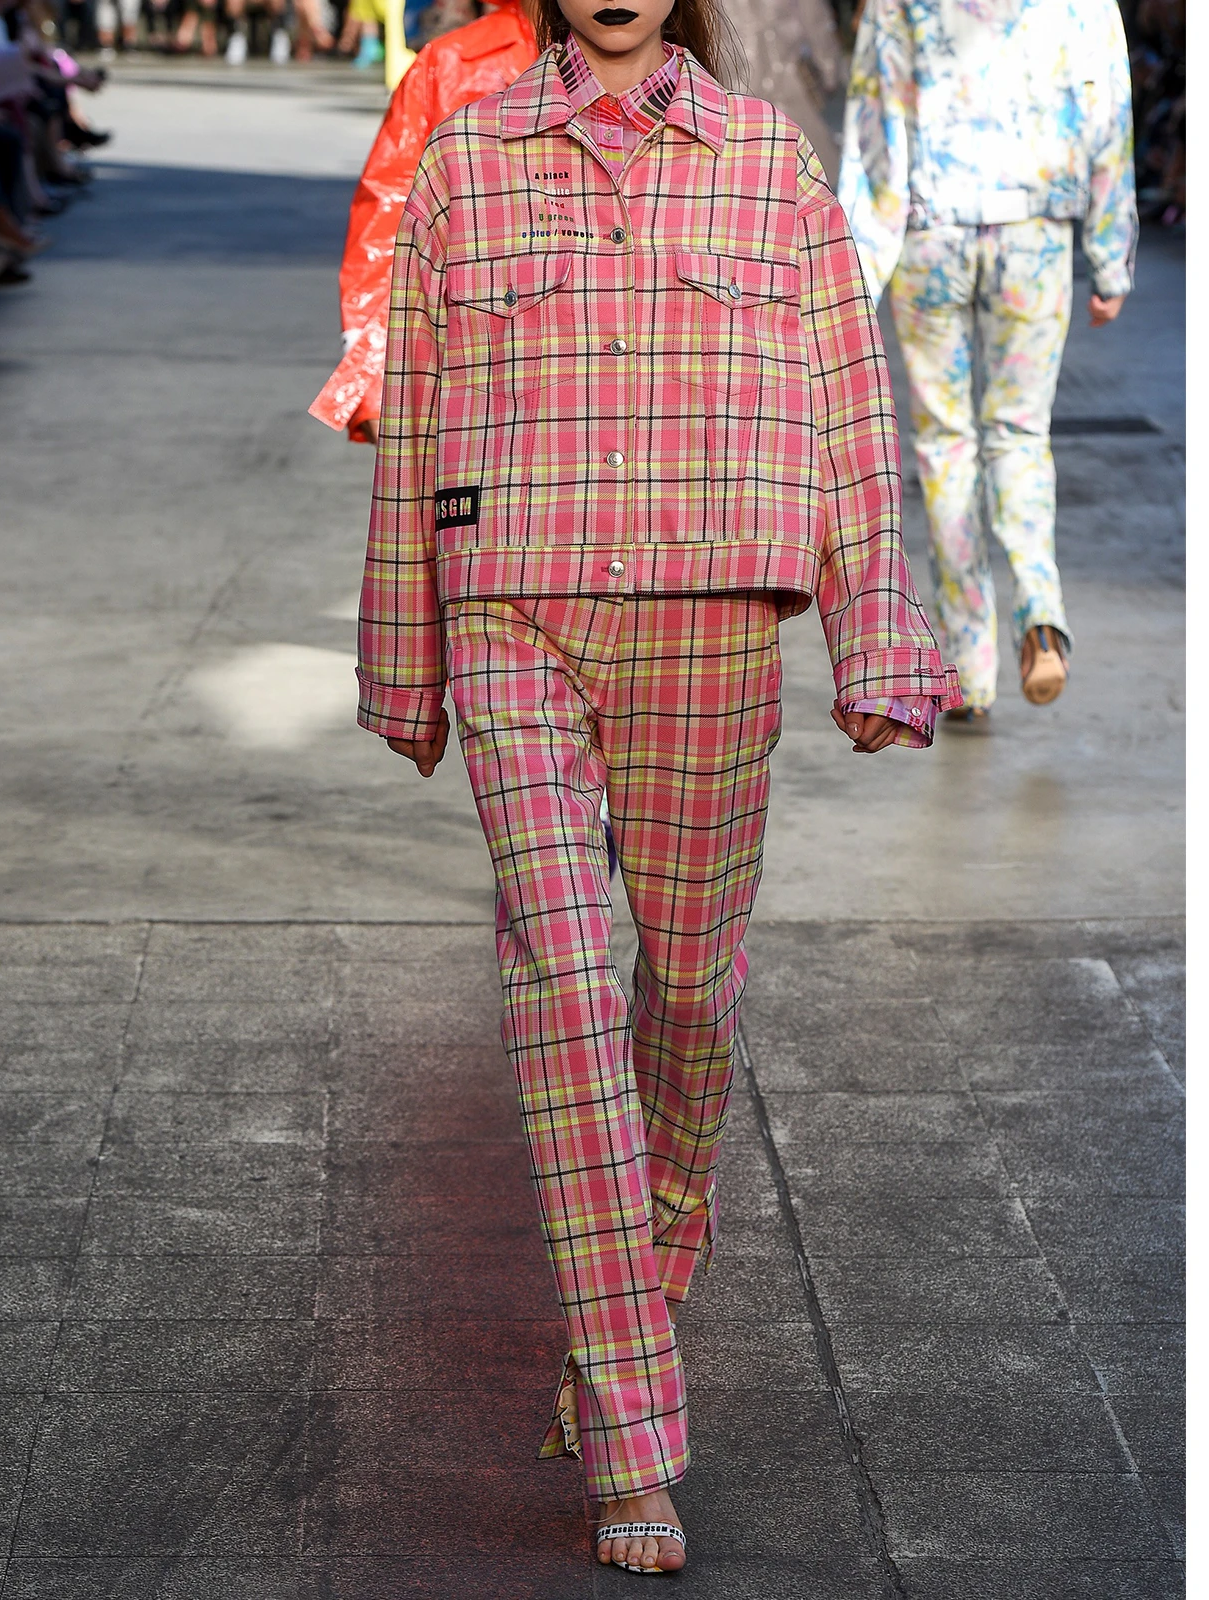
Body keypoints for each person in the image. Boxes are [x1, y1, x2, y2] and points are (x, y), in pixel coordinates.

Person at [355, 0, 960, 1573]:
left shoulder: (769, 163)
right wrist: (401, 656)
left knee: (688, 997)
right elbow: (414, 417)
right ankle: (632, 1434)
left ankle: (633, 1284)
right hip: (516, 607)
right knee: (564, 979)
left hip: (712, 615)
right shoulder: (471, 159)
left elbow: (847, 409)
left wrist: (876, 637)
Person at [838, 0, 1138, 721]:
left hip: (932, 233)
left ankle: (968, 666)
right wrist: (1110, 255)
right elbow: (1108, 114)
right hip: (1035, 233)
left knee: (946, 445)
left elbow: (878, 117)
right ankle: (1042, 616)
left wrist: (858, 273)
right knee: (1021, 433)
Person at [309, 0, 537, 443]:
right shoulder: (452, 63)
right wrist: (373, 372)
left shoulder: (665, 62)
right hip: (483, 374)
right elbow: (392, 213)